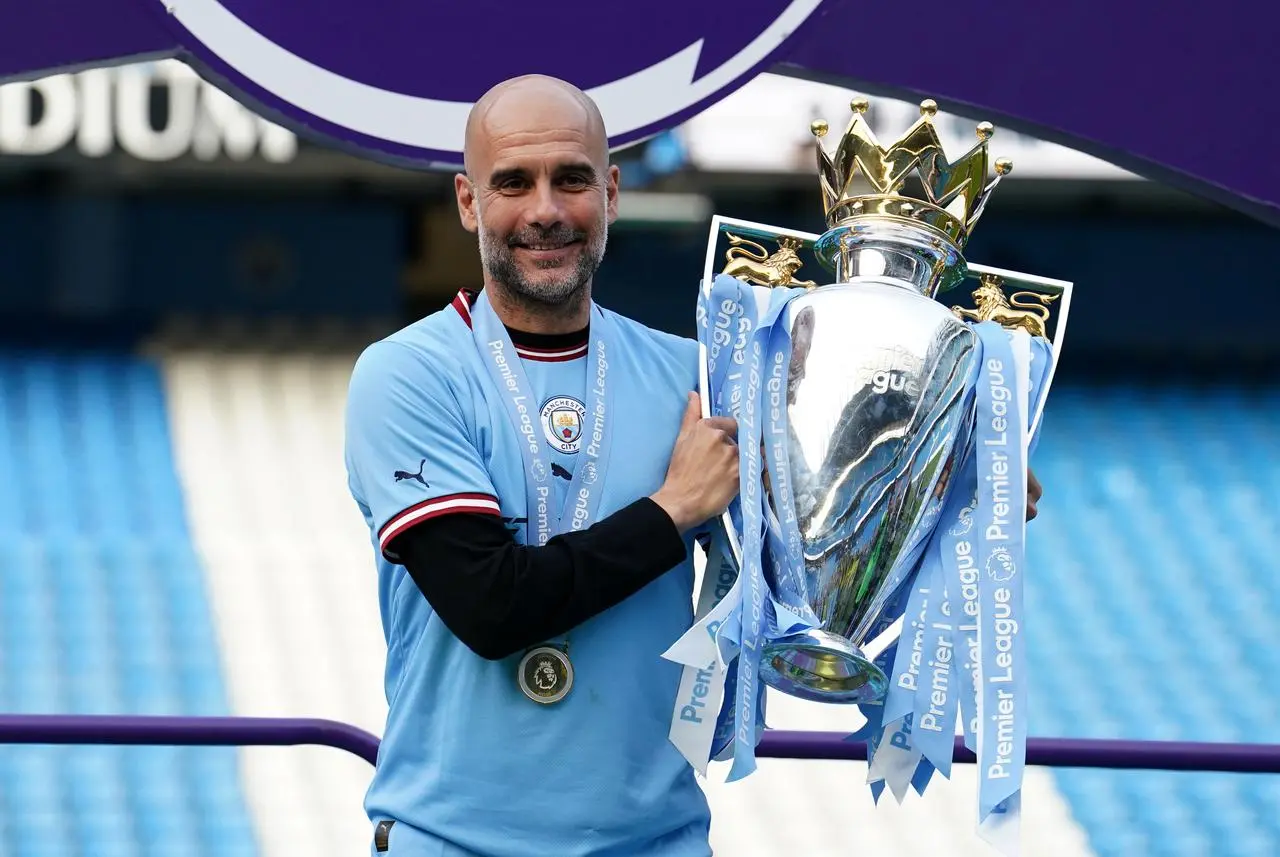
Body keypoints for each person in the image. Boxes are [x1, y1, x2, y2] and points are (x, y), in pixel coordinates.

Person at [343, 74, 1045, 857]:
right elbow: (492, 607)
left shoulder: (705, 377)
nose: (546, 209)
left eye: (572, 179)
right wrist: (673, 509)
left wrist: (949, 496)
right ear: (469, 203)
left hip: (655, 842)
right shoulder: (409, 374)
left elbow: (815, 569)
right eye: (514, 183)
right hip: (453, 841)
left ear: (610, 192)